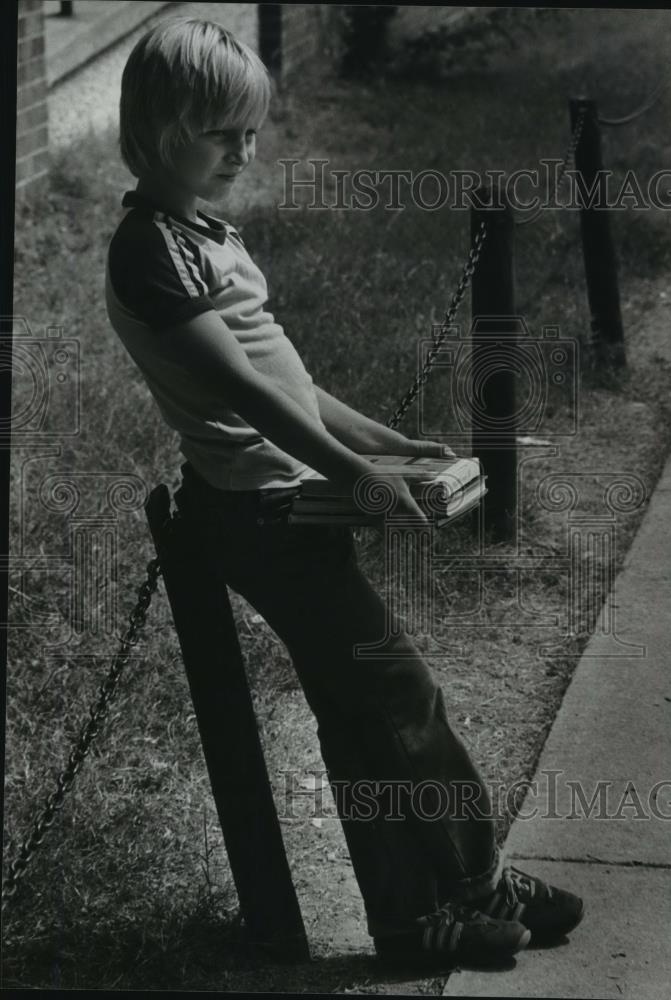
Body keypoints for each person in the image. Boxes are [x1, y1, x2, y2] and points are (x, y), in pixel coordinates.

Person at [105, 17, 583, 969]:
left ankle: (414, 921)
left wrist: (377, 439)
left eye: (251, 130)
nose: (244, 151)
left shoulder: (202, 232)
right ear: (162, 128)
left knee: (362, 710)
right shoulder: (151, 249)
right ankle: (473, 884)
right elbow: (241, 394)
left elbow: (288, 380)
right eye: (222, 132)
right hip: (260, 511)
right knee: (397, 692)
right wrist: (353, 476)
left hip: (291, 501)